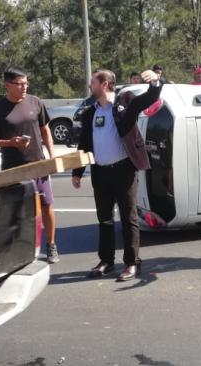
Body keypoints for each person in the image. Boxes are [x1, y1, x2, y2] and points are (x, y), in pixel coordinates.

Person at [72, 69, 163, 282]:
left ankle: (132, 263)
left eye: (92, 82)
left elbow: (150, 98)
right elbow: (83, 144)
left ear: (104, 84)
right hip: (100, 172)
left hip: (124, 170)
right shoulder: (90, 113)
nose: (89, 86)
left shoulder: (125, 102)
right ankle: (106, 261)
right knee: (104, 219)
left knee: (128, 217)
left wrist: (156, 81)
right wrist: (77, 172)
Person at [0, 67, 60, 264]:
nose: (24, 87)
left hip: (38, 163)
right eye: (19, 84)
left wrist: (51, 157)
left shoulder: (36, 102)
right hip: (12, 167)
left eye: (26, 83)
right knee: (15, 209)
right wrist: (10, 142)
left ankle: (51, 246)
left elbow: (45, 130)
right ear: (7, 85)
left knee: (46, 205)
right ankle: (17, 250)